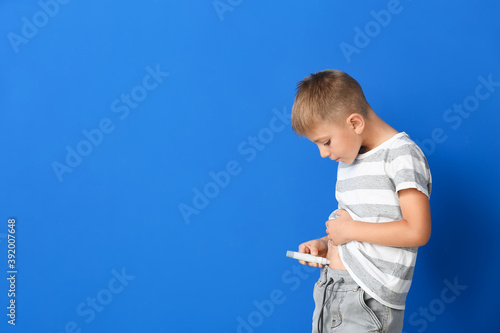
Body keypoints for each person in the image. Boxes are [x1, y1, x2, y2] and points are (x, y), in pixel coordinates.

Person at [291, 70, 432, 333]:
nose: (323, 154)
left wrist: (350, 231)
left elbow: (417, 230)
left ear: (355, 123)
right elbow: (359, 224)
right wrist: (326, 245)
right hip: (330, 288)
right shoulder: (350, 157)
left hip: (367, 298)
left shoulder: (402, 155)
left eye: (326, 142)